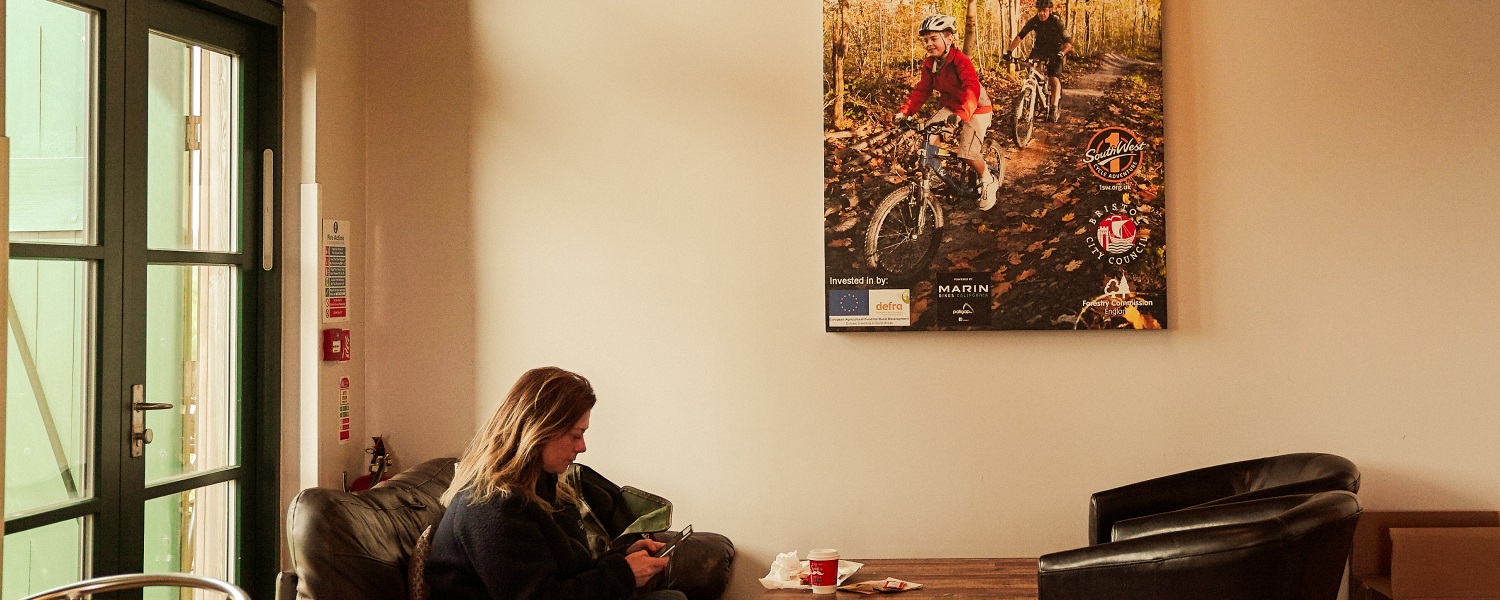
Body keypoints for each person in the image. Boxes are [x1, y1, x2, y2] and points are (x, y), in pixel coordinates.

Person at [425, 367, 686, 600]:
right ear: (538, 431)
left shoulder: (545, 486)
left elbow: (567, 572)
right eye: (576, 435)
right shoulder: (491, 505)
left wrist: (621, 556)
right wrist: (624, 574)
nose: (582, 447)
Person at [894, 14, 1000, 211]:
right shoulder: (930, 64)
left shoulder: (961, 61)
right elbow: (922, 90)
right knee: (928, 137)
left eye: (934, 39)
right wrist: (904, 112)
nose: (929, 44)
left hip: (976, 108)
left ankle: (988, 179)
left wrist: (961, 115)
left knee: (967, 152)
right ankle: (934, 176)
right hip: (952, 106)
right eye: (926, 40)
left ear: (949, 38)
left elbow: (971, 90)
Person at [1007, 0, 1073, 122]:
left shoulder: (1056, 22)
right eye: (1039, 11)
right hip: (1039, 49)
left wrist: (1062, 53)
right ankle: (1032, 97)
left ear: (1050, 10)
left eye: (1044, 11)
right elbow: (1020, 36)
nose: (1042, 13)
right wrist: (1009, 51)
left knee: (1053, 78)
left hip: (1056, 51)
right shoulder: (1034, 21)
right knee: (1031, 69)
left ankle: (1053, 106)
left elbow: (1068, 43)